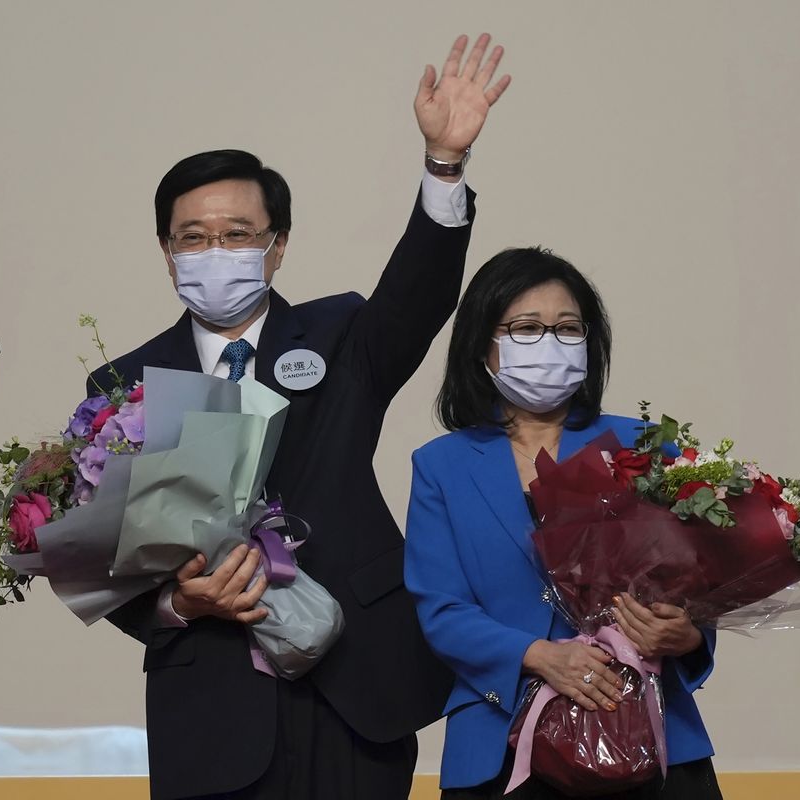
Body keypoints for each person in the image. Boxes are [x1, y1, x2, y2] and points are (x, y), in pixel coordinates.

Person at [87, 34, 511, 800]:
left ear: (277, 247)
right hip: (211, 698)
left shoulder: (341, 335)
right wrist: (180, 601)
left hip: (356, 683)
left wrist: (443, 168)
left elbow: (417, 297)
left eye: (239, 234)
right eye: (195, 238)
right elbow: (105, 562)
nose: (217, 252)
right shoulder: (122, 385)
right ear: (167, 252)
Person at [404, 247, 723, 799]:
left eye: (567, 328)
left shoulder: (644, 446)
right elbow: (441, 608)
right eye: (527, 328)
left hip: (646, 732)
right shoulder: (441, 465)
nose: (549, 343)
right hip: (500, 745)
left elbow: (694, 583)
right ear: (484, 342)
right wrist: (539, 656)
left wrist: (687, 633)